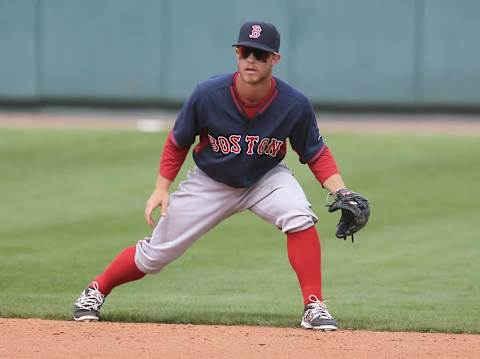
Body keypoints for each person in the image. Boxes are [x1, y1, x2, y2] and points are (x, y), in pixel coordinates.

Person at [73, 21, 366, 331]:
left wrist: (342, 192)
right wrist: (161, 188)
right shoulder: (208, 94)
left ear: (275, 59)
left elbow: (315, 152)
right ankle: (95, 290)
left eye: (260, 54)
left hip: (265, 178)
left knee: (298, 214)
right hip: (210, 180)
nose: (250, 59)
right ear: (237, 54)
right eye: (244, 51)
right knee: (155, 255)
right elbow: (178, 141)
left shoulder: (294, 104)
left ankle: (313, 305)